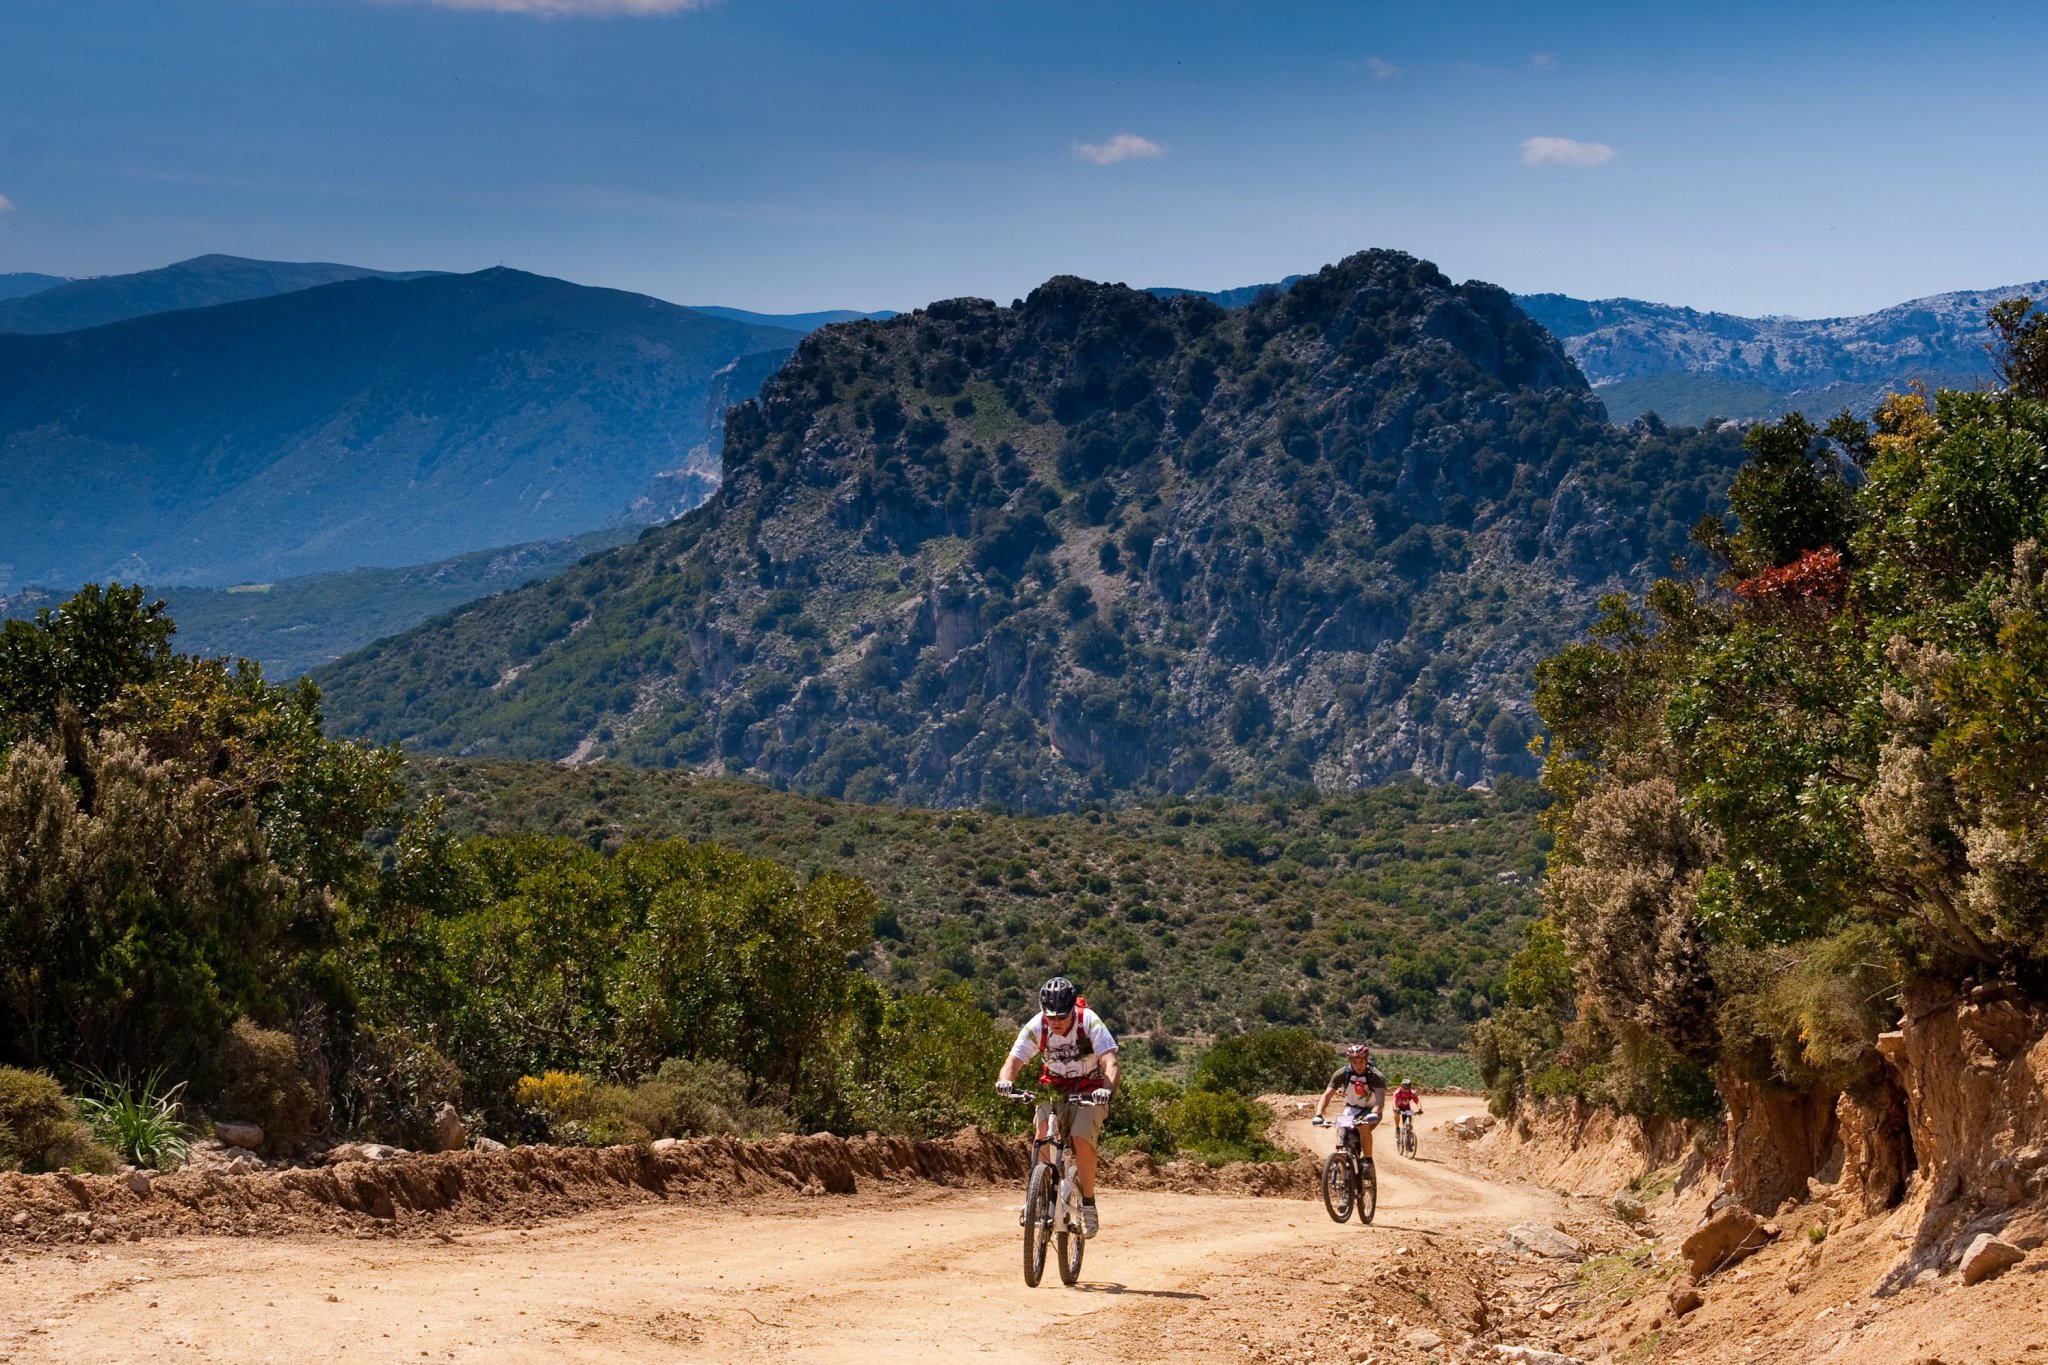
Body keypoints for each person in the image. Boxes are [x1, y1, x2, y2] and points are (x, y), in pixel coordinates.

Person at [995, 976, 1120, 1238]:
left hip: (1090, 1088)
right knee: (1043, 1135)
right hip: (1054, 1088)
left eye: (1061, 1016)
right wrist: (1006, 1081)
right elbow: (1012, 1062)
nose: (1056, 1021)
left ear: (1073, 1009)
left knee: (1080, 1138)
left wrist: (1105, 1090)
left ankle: (1087, 1202)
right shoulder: (1037, 1026)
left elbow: (1111, 1062)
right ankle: (1039, 1195)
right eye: (1050, 1016)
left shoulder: (1089, 1022)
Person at [1311, 1043, 1388, 1170]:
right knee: (1342, 1128)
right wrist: (1318, 1114)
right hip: (1351, 1108)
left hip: (1371, 1109)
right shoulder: (1342, 1073)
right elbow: (1327, 1095)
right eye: (1355, 1062)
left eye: (1361, 1061)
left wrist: (1373, 1113)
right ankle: (1343, 1163)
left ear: (1366, 1060)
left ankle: (1368, 1162)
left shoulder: (1376, 1075)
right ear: (1350, 1061)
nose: (1358, 1065)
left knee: (1363, 1127)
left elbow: (1380, 1100)